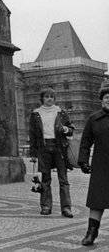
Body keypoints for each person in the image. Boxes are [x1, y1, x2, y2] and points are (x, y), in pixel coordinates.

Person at [28, 87, 75, 218]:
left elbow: (71, 129)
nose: (49, 99)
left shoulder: (61, 112)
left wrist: (65, 129)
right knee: (45, 179)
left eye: (52, 97)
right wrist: (33, 153)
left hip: (59, 147)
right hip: (43, 148)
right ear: (42, 98)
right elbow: (32, 134)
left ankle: (66, 208)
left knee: (63, 179)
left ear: (54, 99)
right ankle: (46, 206)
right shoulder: (35, 113)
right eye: (47, 96)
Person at [78, 83, 109, 246]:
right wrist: (83, 160)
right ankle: (91, 233)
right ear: (101, 100)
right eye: (106, 97)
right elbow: (85, 141)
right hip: (101, 165)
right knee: (97, 200)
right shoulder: (94, 119)